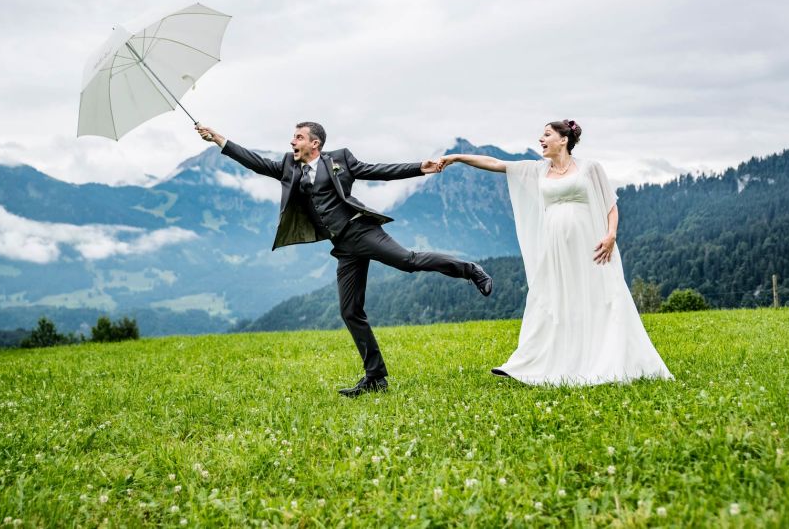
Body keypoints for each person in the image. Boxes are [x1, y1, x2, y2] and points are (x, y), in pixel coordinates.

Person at [196, 122, 493, 397]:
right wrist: (219, 139)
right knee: (350, 311)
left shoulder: (340, 159)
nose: (292, 142)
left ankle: (470, 270)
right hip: (344, 247)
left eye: (298, 137)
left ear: (315, 143)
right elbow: (255, 162)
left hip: (361, 230)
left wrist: (419, 168)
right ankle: (375, 378)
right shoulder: (289, 165)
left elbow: (377, 171)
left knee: (408, 261)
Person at [437, 119, 673, 386]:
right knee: (553, 300)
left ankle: (609, 359)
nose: (541, 139)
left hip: (592, 247)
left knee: (602, 296)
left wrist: (611, 235)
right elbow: (495, 163)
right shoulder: (538, 170)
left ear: (563, 139)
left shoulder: (590, 168)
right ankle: (531, 361)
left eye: (547, 134)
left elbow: (610, 204)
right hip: (556, 250)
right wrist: (457, 157)